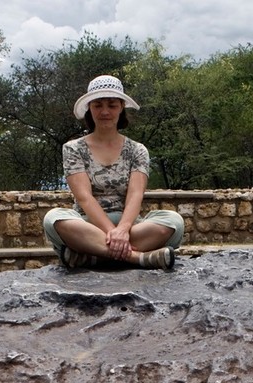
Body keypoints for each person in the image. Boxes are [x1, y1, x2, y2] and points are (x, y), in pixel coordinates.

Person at [42, 75, 184, 270]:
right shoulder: (73, 148)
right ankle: (136, 257)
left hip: (130, 226)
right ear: (89, 108)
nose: (105, 111)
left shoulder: (137, 150)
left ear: (121, 107)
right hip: (88, 225)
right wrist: (113, 233)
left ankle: (92, 257)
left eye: (112, 105)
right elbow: (84, 197)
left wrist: (123, 230)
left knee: (173, 222)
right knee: (53, 219)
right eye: (98, 105)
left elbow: (136, 194)